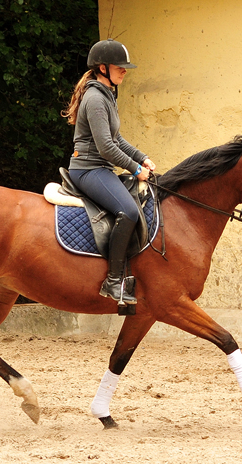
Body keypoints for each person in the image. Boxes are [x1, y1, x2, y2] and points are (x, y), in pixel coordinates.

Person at [62, 39, 156, 305]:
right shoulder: (94, 98)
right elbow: (105, 148)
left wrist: (142, 157)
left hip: (100, 168)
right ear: (103, 68)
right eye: (120, 67)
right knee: (127, 211)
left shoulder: (106, 95)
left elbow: (116, 138)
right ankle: (113, 281)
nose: (125, 71)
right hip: (88, 169)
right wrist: (135, 169)